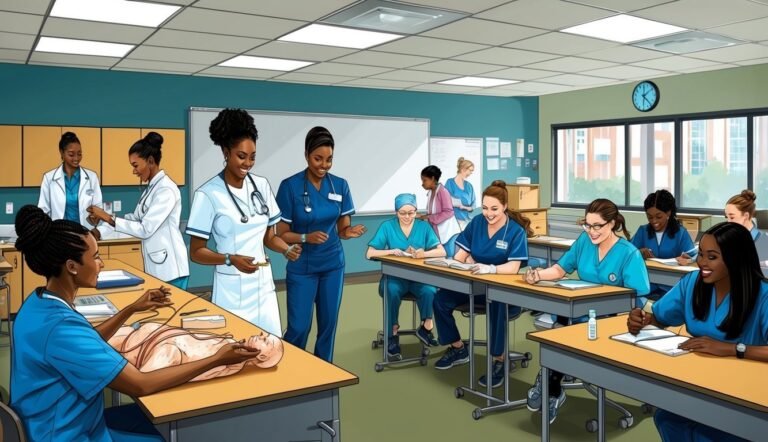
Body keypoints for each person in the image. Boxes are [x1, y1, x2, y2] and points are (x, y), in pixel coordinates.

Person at [10, 205, 261, 442]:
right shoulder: (61, 328)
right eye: (95, 257)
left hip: (50, 421)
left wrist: (131, 309)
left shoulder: (39, 304)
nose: (101, 263)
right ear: (72, 266)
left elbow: (85, 338)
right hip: (69, 434)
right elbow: (140, 384)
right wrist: (217, 358)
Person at [627, 222, 768, 442]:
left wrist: (732, 349)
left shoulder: (763, 295)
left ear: (736, 258)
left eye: (712, 257)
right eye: (701, 254)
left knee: (707, 434)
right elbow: (660, 318)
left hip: (744, 390)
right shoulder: (693, 282)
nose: (702, 262)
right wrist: (643, 320)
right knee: (667, 418)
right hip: (698, 380)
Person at [523, 198, 650, 424]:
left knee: (567, 331)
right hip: (579, 311)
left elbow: (637, 297)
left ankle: (550, 385)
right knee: (562, 323)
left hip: (610, 319)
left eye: (596, 226)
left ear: (611, 223)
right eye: (587, 225)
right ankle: (553, 385)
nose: (591, 231)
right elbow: (561, 268)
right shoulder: (584, 241)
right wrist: (538, 275)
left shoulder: (629, 253)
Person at [186, 109, 300, 337]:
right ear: (226, 152)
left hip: (262, 285)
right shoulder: (207, 194)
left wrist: (285, 249)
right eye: (241, 156)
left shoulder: (262, 186)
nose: (248, 163)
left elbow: (269, 237)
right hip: (231, 288)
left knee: (271, 344)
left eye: (253, 157)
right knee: (235, 348)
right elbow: (196, 252)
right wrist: (230, 259)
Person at [276, 126, 366, 362]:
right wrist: (305, 237)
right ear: (306, 155)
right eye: (318, 159)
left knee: (328, 325)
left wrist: (350, 232)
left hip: (332, 265)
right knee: (299, 327)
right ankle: (291, 370)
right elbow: (280, 233)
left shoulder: (340, 185)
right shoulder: (290, 187)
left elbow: (342, 229)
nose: (323, 165)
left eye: (329, 160)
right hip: (302, 267)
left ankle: (324, 372)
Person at [433, 180, 532, 388]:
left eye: (494, 209)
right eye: (485, 208)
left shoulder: (515, 232)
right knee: (440, 299)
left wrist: (492, 268)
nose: (489, 213)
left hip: (503, 291)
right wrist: (453, 263)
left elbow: (513, 268)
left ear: (504, 206)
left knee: (496, 302)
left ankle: (499, 361)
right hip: (475, 285)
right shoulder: (477, 222)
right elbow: (460, 255)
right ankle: (458, 348)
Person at [87, 132, 190, 289]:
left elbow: (144, 229)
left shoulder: (166, 190)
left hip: (171, 269)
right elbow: (133, 220)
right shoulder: (151, 189)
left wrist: (108, 217)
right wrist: (99, 231)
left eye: (135, 165)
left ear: (150, 161)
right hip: (158, 266)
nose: (134, 171)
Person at [366, 193, 446, 359]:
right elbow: (369, 253)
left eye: (411, 213)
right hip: (394, 278)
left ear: (416, 211)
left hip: (419, 278)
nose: (407, 217)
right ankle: (392, 334)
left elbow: (442, 252)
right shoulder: (387, 226)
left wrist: (423, 253)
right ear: (396, 212)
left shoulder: (423, 227)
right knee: (391, 291)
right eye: (403, 213)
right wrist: (392, 251)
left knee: (430, 291)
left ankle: (426, 327)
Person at [109, 322, 284, 379]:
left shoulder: (230, 364)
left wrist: (171, 351)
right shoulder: (230, 341)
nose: (260, 335)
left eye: (264, 340)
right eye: (263, 334)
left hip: (152, 351)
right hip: (139, 335)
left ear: (262, 356)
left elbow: (193, 374)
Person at [678, 190, 768, 272]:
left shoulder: (763, 242)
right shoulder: (730, 236)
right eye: (727, 217)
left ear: (746, 216)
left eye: (732, 217)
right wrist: (691, 258)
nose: (728, 222)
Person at [631, 189, 694, 306]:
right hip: (647, 283)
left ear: (668, 213)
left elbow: (692, 256)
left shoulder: (680, 233)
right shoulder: (642, 231)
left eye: (658, 217)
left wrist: (687, 259)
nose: (654, 221)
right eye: (649, 217)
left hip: (672, 286)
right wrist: (638, 252)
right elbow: (626, 254)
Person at [38, 131, 106, 234]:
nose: (76, 158)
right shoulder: (49, 178)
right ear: (62, 152)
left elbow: (98, 207)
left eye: (79, 154)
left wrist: (95, 217)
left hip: (85, 234)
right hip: (59, 235)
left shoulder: (91, 177)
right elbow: (43, 210)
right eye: (71, 154)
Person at [418, 165, 461, 258]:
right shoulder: (430, 192)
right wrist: (423, 217)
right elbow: (432, 213)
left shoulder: (443, 191)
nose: (422, 183)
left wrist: (427, 217)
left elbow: (449, 212)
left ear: (433, 178)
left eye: (424, 180)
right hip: (438, 232)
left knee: (449, 257)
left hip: (448, 233)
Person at [444, 157, 476, 230]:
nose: (471, 173)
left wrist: (464, 207)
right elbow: (445, 202)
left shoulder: (469, 186)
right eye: (470, 170)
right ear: (463, 169)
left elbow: (473, 205)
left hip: (467, 222)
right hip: (454, 222)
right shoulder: (450, 183)